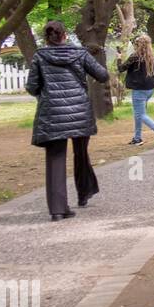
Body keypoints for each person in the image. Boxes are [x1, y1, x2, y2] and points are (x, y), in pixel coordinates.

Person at [26, 20, 108, 220]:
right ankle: (84, 193)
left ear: (47, 37)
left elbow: (32, 86)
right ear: (65, 35)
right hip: (79, 111)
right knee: (80, 153)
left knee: (55, 158)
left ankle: (57, 209)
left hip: (52, 113)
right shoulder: (80, 54)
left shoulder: (40, 56)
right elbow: (103, 75)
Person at [119, 34, 154, 146]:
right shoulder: (152, 57)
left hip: (139, 90)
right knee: (138, 114)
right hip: (150, 89)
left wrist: (119, 58)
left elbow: (121, 69)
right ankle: (137, 138)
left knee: (140, 115)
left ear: (138, 45)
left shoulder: (135, 57)